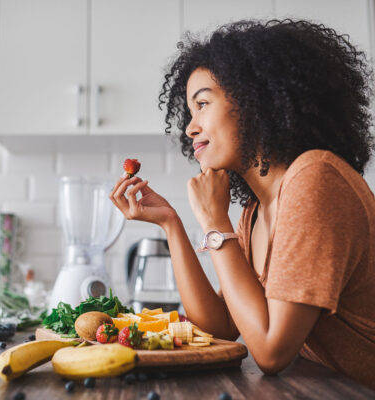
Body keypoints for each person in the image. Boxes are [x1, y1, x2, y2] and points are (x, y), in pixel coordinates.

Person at [109, 19, 375, 388]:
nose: (190, 127)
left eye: (202, 104)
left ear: (256, 101)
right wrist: (171, 224)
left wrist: (216, 221)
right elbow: (220, 326)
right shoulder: (256, 210)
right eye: (189, 111)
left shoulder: (316, 179)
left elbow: (270, 352)